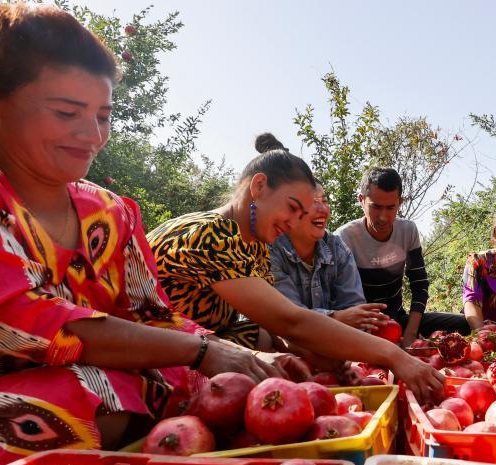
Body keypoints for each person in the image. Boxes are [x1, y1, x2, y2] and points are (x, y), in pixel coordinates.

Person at [0, 4, 287, 465]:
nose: (91, 134)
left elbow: (152, 316)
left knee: (201, 379)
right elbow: (15, 317)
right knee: (74, 398)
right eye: (66, 112)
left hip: (109, 380)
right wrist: (201, 351)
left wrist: (248, 361)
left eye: (103, 116)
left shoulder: (111, 212)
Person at [147, 136, 445, 403]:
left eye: (301, 214)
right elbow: (290, 320)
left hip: (203, 341)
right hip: (155, 351)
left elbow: (277, 328)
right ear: (259, 187)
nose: (292, 222)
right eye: (292, 208)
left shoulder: (255, 246)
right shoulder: (212, 235)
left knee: (265, 340)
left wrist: (320, 357)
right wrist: (393, 355)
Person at [337, 167, 470, 346]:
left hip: (398, 321)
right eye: (376, 207)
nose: (383, 217)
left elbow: (420, 284)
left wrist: (410, 334)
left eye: (391, 207)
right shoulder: (344, 238)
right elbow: (342, 300)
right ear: (361, 200)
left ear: (400, 202)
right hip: (361, 328)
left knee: (464, 324)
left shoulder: (408, 231)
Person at [269, 179, 387, 331]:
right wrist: (337, 318)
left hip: (334, 340)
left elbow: (356, 315)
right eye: (313, 202)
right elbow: (286, 319)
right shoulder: (271, 251)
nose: (323, 209)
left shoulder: (337, 248)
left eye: (324, 201)